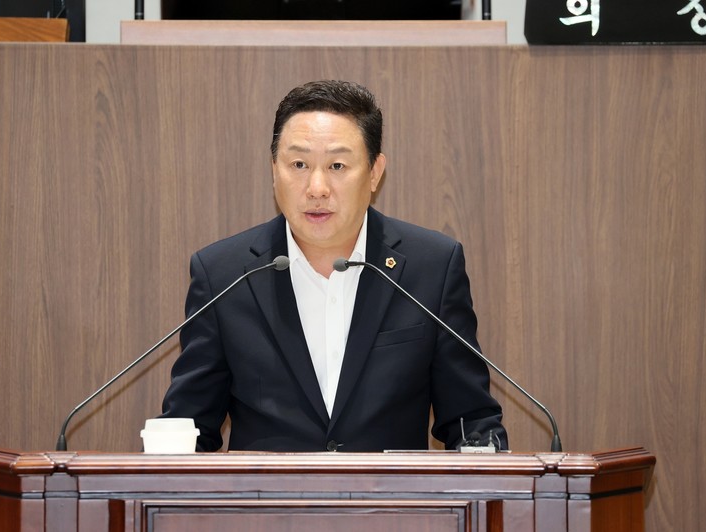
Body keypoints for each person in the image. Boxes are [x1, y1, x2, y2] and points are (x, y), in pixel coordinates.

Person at [160, 80, 507, 452]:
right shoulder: (224, 275)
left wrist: (485, 462)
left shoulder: (432, 267)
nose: (317, 188)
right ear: (274, 170)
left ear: (374, 172)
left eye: (337, 165)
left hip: (391, 492)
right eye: (299, 164)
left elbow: (471, 423)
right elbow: (189, 430)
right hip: (268, 492)